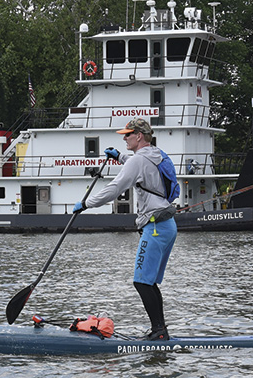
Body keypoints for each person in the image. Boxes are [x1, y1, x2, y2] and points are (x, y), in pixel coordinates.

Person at [72, 118, 178, 340]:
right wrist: (119, 157)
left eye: (128, 134)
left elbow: (114, 189)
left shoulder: (138, 161)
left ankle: (159, 332)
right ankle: (160, 330)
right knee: (149, 283)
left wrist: (85, 204)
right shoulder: (158, 154)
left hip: (155, 228)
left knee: (141, 282)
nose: (124, 138)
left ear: (139, 136)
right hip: (168, 226)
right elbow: (138, 165)